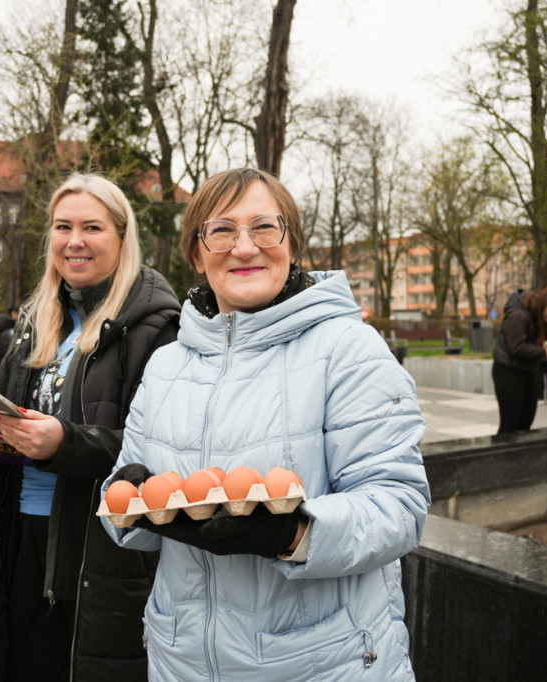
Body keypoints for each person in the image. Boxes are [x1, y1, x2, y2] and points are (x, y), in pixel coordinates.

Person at [101, 168, 430, 680]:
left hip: (319, 663)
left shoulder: (347, 350)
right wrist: (125, 504)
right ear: (196, 251)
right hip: (180, 660)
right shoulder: (168, 363)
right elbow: (130, 500)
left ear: (292, 242)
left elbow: (399, 506)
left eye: (264, 227)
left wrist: (291, 533)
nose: (245, 247)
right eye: (223, 230)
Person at [0, 173, 181, 681]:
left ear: (122, 238)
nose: (74, 240)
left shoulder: (157, 327)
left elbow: (166, 452)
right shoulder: (40, 319)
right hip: (19, 529)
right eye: (63, 226)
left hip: (99, 545)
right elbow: (9, 404)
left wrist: (65, 443)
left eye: (92, 227)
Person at [492, 284, 547, 434]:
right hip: (509, 372)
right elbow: (517, 347)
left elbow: (531, 345)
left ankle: (520, 455)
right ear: (545, 303)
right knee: (510, 424)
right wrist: (544, 352)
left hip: (528, 371)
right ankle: (502, 455)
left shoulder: (536, 317)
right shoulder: (518, 315)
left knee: (526, 421)